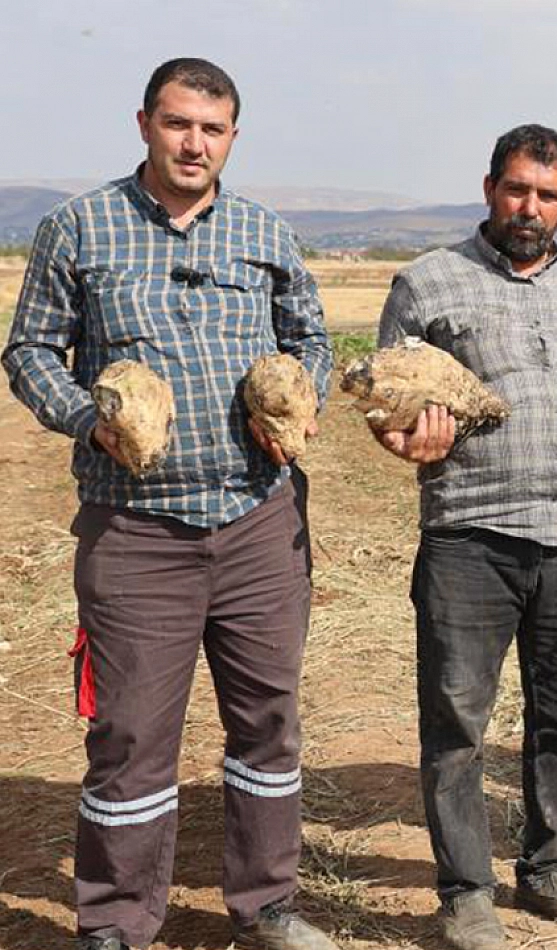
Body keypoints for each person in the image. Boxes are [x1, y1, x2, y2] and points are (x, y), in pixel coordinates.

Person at [2, 59, 335, 950]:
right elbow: (30, 351)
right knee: (130, 733)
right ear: (145, 122)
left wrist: (303, 401)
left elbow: (310, 338)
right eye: (179, 123)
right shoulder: (80, 227)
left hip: (260, 520)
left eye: (213, 129)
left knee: (269, 720)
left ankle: (267, 903)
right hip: (136, 527)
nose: (195, 143)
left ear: (232, 137)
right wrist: (86, 417)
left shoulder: (264, 231)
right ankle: (115, 919)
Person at [372, 124, 557, 949]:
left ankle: (554, 870)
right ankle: (466, 894)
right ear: (489, 188)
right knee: (456, 719)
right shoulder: (427, 284)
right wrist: (403, 439)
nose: (530, 207)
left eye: (547, 195)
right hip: (468, 535)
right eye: (517, 189)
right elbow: (388, 401)